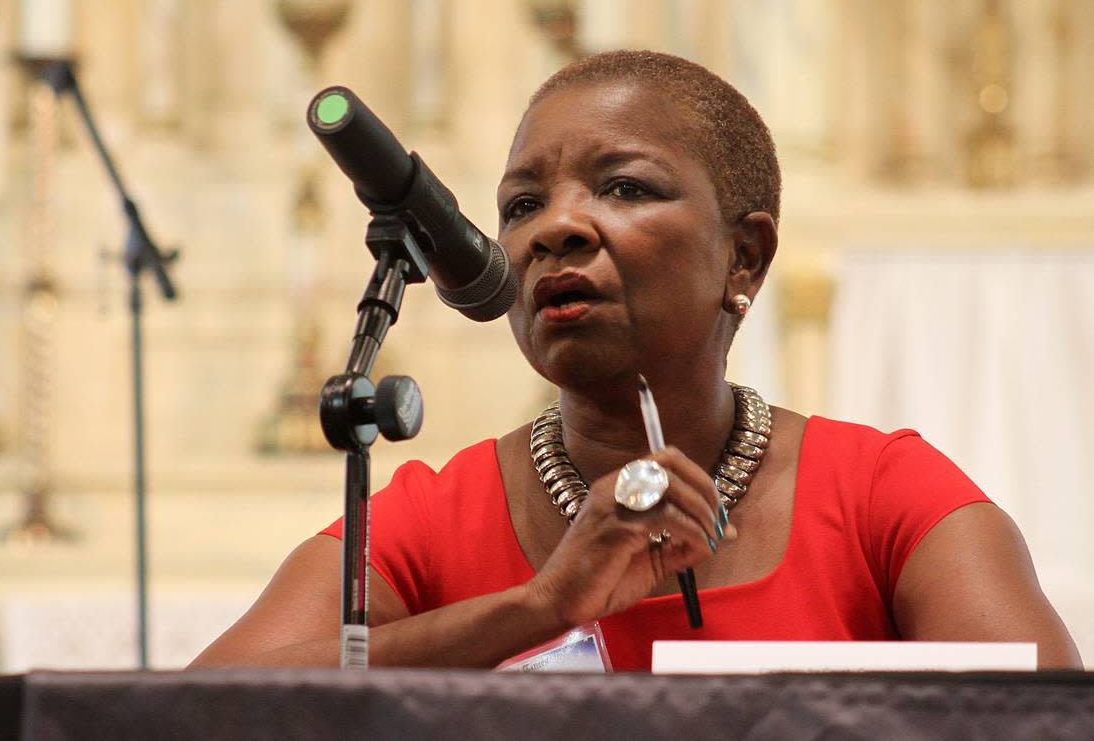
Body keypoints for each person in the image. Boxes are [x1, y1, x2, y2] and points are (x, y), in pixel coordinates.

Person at [191, 51, 1081, 671]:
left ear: (745, 258)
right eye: (522, 203)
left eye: (624, 187)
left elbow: (1043, 715)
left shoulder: (887, 496)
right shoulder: (434, 519)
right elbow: (182, 713)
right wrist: (538, 609)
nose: (556, 228)